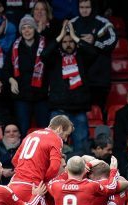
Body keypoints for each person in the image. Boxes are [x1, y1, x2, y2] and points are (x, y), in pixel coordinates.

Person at [41, 20, 96, 153]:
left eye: (71, 41)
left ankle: (79, 173)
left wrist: (75, 37)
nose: (68, 44)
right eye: (65, 42)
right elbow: (44, 55)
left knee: (82, 146)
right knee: (54, 146)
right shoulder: (55, 58)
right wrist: (60, 36)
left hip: (79, 109)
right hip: (59, 109)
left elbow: (94, 53)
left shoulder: (81, 57)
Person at [4, 14, 50, 137]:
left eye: (29, 27)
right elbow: (6, 68)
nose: (26, 30)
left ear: (34, 29)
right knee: (23, 131)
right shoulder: (15, 46)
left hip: (41, 95)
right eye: (23, 28)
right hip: (22, 96)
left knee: (44, 131)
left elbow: (51, 67)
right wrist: (11, 80)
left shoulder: (45, 44)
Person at [71, 0, 117, 109]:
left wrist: (94, 42)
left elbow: (112, 41)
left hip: (100, 77)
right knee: (81, 113)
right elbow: (66, 44)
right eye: (81, 7)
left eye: (87, 7)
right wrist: (80, 43)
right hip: (79, 78)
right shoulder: (72, 23)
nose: (84, 10)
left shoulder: (104, 23)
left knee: (99, 113)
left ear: (93, 7)